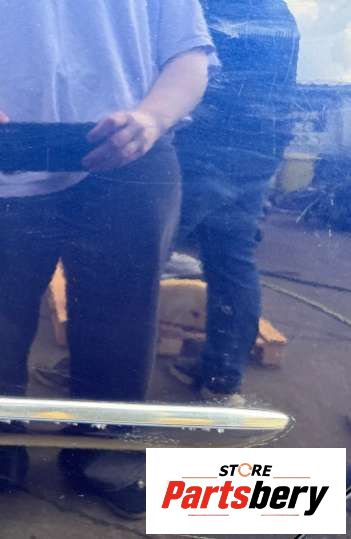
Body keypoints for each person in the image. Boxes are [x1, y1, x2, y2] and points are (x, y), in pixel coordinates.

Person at [0, 0, 215, 518]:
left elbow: (187, 54)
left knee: (121, 325)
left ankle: (106, 457)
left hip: (129, 153)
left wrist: (151, 118)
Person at [169, 0, 300, 405]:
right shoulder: (279, 13)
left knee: (139, 258)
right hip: (260, 147)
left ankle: (103, 384)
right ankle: (221, 381)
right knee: (232, 258)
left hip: (202, 145)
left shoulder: (202, 9)